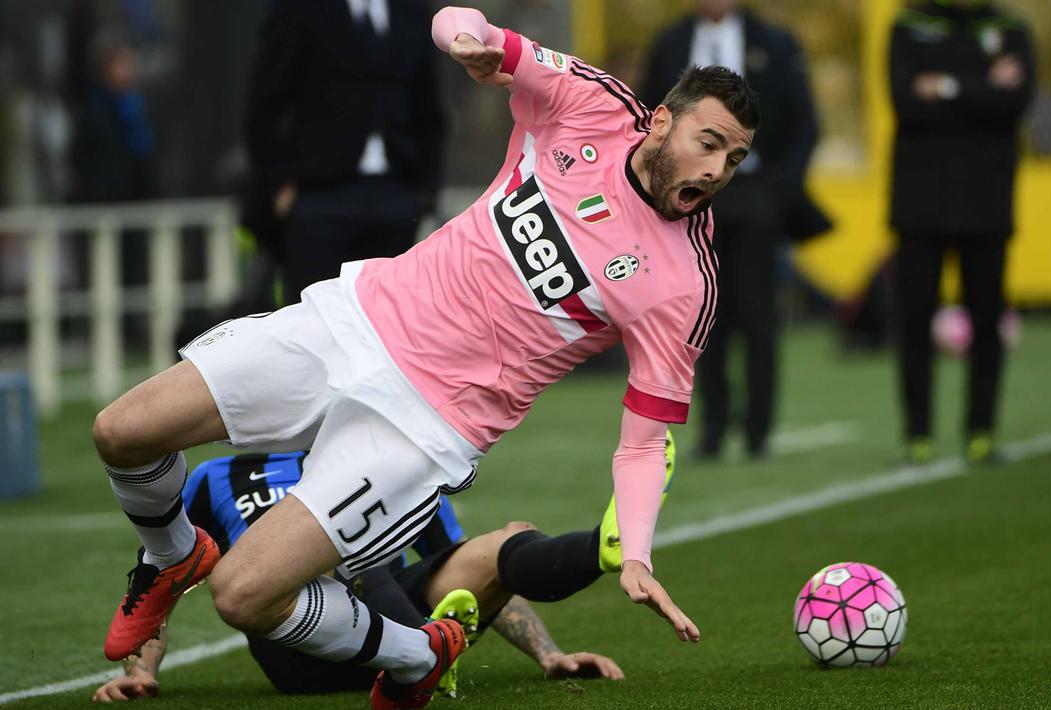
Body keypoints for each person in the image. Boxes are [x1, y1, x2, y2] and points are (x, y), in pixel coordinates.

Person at [92, 6, 757, 709]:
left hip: (425, 422)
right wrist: (465, 43)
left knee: (243, 594)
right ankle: (171, 560)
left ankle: (416, 655)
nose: (715, 170)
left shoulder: (683, 281)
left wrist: (640, 554)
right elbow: (458, 20)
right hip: (356, 318)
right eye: (707, 143)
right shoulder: (593, 106)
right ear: (660, 122)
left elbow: (646, 442)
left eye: (733, 158)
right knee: (123, 432)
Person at [91, 442, 673, 701]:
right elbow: (162, 577)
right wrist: (143, 671)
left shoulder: (381, 461)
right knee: (342, 552)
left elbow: (471, 571)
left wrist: (549, 655)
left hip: (395, 610)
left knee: (509, 539)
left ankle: (600, 548)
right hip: (300, 648)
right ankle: (423, 656)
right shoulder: (219, 476)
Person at [641, 0, 830, 460]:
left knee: (758, 314)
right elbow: (647, 114)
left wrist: (781, 187)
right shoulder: (670, 44)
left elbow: (805, 121)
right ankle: (712, 426)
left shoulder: (776, 42)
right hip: (690, 199)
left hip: (757, 195)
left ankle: (759, 429)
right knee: (703, 316)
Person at [887, 0, 1035, 465]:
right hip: (919, 204)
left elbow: (1015, 104)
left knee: (987, 321)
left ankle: (981, 432)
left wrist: (944, 86)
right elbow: (906, 103)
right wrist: (981, 88)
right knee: (914, 321)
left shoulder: (1010, 27)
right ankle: (918, 435)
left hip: (986, 203)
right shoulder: (908, 26)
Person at [244, 0, 447, 302]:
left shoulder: (413, 12)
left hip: (396, 197)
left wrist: (424, 190)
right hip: (318, 197)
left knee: (388, 322)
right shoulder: (298, 9)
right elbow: (262, 106)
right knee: (314, 322)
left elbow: (429, 108)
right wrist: (280, 188)